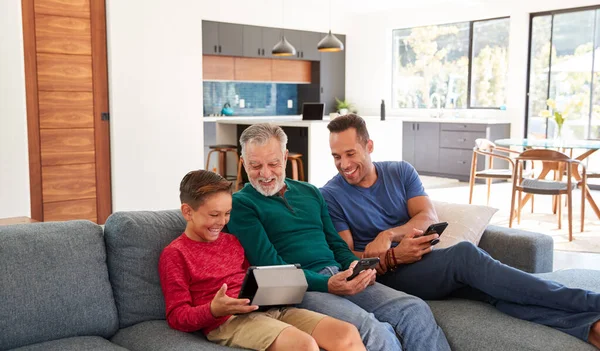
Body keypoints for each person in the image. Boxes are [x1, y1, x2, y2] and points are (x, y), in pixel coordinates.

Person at [320, 113, 600, 348]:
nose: (344, 165)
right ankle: (589, 300)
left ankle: (588, 328)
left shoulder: (400, 171)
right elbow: (347, 256)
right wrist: (393, 257)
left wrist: (389, 235)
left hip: (424, 264)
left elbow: (426, 215)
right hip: (388, 277)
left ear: (369, 146)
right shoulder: (331, 195)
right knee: (465, 255)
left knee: (493, 291)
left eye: (350, 153)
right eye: (336, 157)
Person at [227, 123, 451, 351]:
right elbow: (272, 267)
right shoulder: (241, 204)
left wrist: (355, 266)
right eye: (255, 166)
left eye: (273, 163)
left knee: (413, 308)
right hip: (302, 290)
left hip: (339, 275)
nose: (265, 173)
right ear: (244, 163)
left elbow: (335, 244)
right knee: (373, 329)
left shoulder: (311, 192)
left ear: (285, 158)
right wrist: (328, 284)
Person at [158, 170, 365, 351]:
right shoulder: (175, 254)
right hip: (227, 321)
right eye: (214, 215)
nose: (222, 222)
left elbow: (255, 277)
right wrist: (213, 309)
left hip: (269, 309)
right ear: (187, 212)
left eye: (227, 213)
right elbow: (177, 316)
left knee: (346, 333)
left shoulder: (231, 241)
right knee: (303, 345)